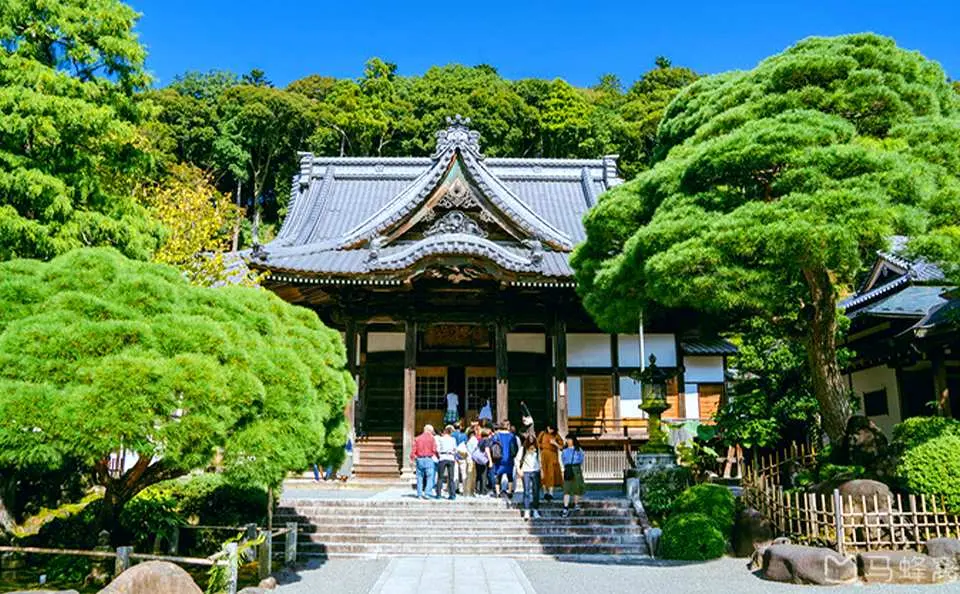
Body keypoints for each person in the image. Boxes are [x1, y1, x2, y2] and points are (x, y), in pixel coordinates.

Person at [515, 433, 542, 520]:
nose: (531, 446)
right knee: (526, 491)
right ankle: (527, 510)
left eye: (532, 443)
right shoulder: (522, 449)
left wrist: (542, 471)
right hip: (526, 471)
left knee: (536, 491)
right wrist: (518, 469)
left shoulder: (537, 450)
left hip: (536, 471)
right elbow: (517, 459)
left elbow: (540, 461)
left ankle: (535, 510)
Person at [561, 434, 586, 517]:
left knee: (577, 487)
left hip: (576, 468)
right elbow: (563, 460)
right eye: (567, 439)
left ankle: (576, 503)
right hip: (568, 469)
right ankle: (565, 507)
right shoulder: (564, 450)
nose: (568, 441)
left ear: (573, 440)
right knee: (567, 488)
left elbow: (582, 459)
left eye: (569, 439)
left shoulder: (579, 450)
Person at [411, 424, 438, 500]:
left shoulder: (417, 438)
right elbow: (434, 449)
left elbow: (413, 451)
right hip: (429, 459)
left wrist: (414, 458)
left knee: (419, 477)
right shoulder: (432, 439)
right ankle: (427, 493)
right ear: (429, 431)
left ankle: (419, 494)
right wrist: (438, 457)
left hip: (419, 459)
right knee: (430, 477)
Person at [493, 421, 519, 499]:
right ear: (507, 426)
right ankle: (510, 492)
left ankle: (498, 493)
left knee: (498, 475)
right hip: (509, 458)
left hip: (499, 458)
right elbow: (515, 447)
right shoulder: (512, 436)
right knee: (509, 475)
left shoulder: (496, 436)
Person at [537, 425, 563, 501]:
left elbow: (561, 447)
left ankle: (551, 493)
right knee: (544, 474)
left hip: (553, 455)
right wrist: (543, 446)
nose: (550, 430)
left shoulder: (556, 435)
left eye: (551, 429)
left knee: (551, 474)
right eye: (548, 428)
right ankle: (545, 492)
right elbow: (537, 443)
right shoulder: (542, 434)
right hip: (544, 455)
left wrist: (555, 443)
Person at [435, 425, 458, 500]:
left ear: (445, 431)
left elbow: (437, 449)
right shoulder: (453, 439)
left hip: (442, 457)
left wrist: (439, 456)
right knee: (451, 477)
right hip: (451, 458)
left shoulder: (440, 439)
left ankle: (438, 494)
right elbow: (455, 449)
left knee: (440, 477)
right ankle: (452, 494)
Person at [473, 428, 494, 496]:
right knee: (484, 475)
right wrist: (490, 460)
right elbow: (487, 450)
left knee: (478, 474)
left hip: (477, 459)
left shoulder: (480, 440)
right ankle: (483, 490)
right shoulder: (487, 440)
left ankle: (477, 489)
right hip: (483, 459)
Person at [452, 422, 468, 494]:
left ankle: (456, 487)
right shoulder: (464, 435)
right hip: (462, 455)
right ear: (460, 427)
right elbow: (466, 444)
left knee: (455, 472)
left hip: (455, 455)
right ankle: (464, 488)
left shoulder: (452, 435)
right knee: (463, 472)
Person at [464, 427, 479, 497]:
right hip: (472, 459)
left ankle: (468, 491)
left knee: (469, 475)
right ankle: (470, 491)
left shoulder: (469, 440)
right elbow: (476, 449)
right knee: (471, 475)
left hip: (468, 458)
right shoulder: (474, 440)